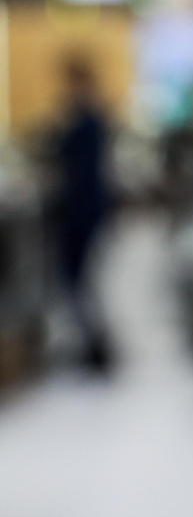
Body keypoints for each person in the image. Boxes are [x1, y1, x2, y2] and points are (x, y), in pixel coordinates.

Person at [50, 55, 113, 372]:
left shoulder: (87, 121)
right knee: (79, 279)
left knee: (84, 278)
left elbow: (77, 167)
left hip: (84, 207)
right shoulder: (82, 118)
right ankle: (92, 344)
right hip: (81, 205)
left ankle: (98, 347)